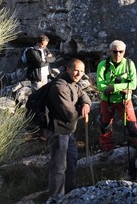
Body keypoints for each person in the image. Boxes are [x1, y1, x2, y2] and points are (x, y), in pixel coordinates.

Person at [46, 58, 91, 197]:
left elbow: (84, 96)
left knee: (71, 161)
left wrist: (86, 104)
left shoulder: (73, 83)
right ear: (68, 69)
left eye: (82, 71)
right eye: (76, 70)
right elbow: (69, 115)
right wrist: (80, 110)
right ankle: (56, 197)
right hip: (58, 130)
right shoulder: (60, 86)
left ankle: (71, 193)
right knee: (59, 166)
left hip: (68, 131)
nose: (79, 74)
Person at [96, 40, 137, 151]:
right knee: (105, 126)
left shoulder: (129, 64)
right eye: (115, 51)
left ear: (124, 51)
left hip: (124, 101)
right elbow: (100, 86)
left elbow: (133, 84)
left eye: (121, 51)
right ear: (110, 51)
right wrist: (123, 88)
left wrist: (113, 88)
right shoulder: (103, 65)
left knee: (132, 125)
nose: (118, 54)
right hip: (107, 101)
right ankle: (106, 150)